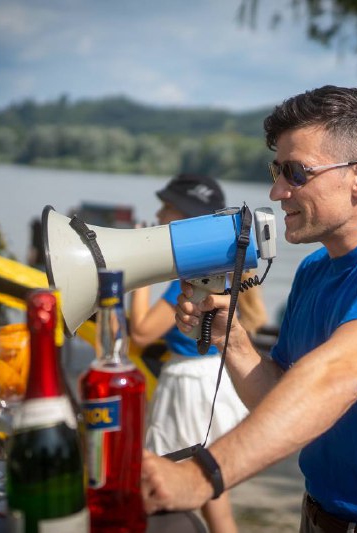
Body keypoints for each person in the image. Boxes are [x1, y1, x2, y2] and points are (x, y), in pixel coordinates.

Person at [140, 86, 357, 532]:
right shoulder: (315, 269)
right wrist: (233, 342)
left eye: (296, 172)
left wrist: (202, 475)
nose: (277, 192)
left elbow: (340, 372)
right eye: (276, 170)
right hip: (315, 519)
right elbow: (281, 396)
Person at [130, 173, 266, 533]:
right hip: (211, 382)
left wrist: (138, 273)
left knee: (175, 490)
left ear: (183, 219)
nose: (158, 215)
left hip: (189, 389)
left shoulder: (191, 277)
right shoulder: (218, 265)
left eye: (167, 208)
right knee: (211, 494)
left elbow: (142, 332)